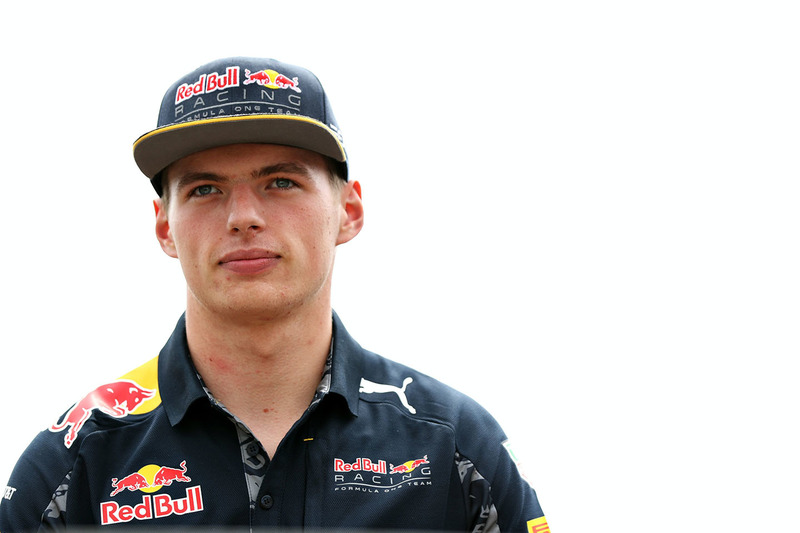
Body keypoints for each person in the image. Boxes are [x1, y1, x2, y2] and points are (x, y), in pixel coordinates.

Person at [0, 57, 549, 532]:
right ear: (165, 226)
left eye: (281, 182)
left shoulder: (451, 445)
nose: (243, 217)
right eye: (205, 189)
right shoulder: (80, 456)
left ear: (349, 211)